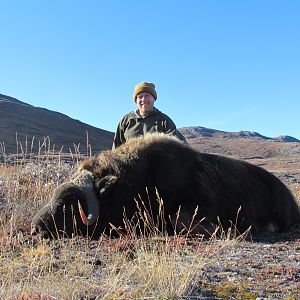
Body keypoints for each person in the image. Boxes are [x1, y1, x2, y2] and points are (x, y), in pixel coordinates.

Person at [112, 81, 186, 148]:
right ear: (136, 101)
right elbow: (116, 148)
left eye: (147, 95)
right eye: (140, 97)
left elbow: (181, 145)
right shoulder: (126, 120)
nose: (143, 100)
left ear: (153, 98)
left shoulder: (164, 121)